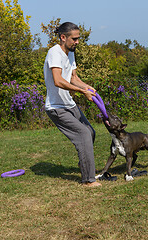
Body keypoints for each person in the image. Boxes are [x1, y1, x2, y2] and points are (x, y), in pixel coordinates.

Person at [44, 22, 101, 187]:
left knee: (90, 132)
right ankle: (88, 180)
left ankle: (84, 166)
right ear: (63, 37)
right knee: (83, 134)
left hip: (68, 103)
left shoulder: (70, 53)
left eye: (78, 38)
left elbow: (73, 78)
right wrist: (82, 92)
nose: (77, 42)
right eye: (74, 39)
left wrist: (86, 86)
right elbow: (58, 80)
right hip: (56, 107)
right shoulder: (54, 53)